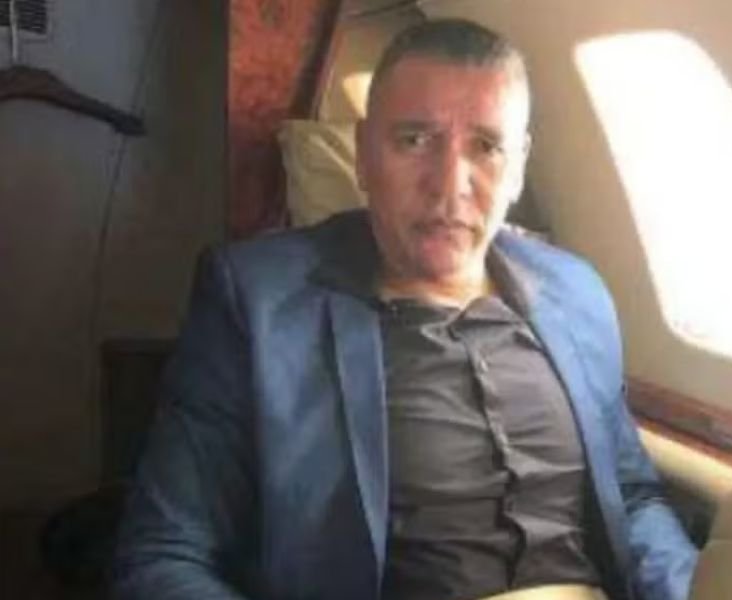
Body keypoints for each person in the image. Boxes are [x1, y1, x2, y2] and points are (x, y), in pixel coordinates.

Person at [113, 18, 698, 600]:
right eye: (415, 140)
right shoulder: (257, 301)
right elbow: (163, 554)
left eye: (486, 147)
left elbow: (634, 498)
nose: (449, 185)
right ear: (364, 155)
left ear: (518, 167)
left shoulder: (578, 292)